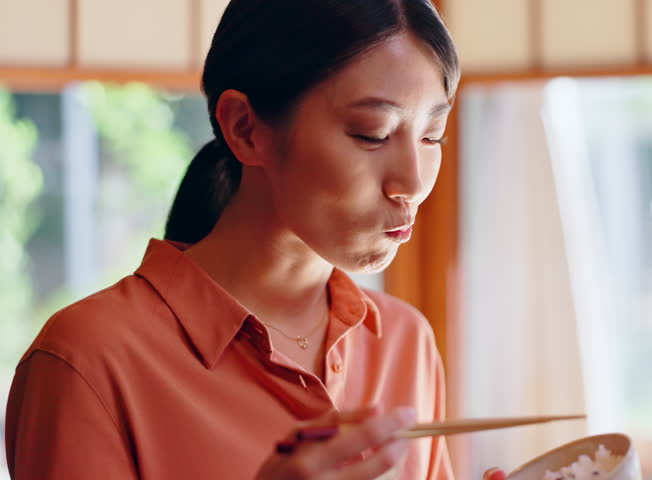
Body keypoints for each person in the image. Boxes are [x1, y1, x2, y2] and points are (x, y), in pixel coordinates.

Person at [5, 1, 506, 478]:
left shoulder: (402, 341)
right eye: (372, 134)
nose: (413, 183)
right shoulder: (88, 360)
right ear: (245, 128)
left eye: (432, 135)